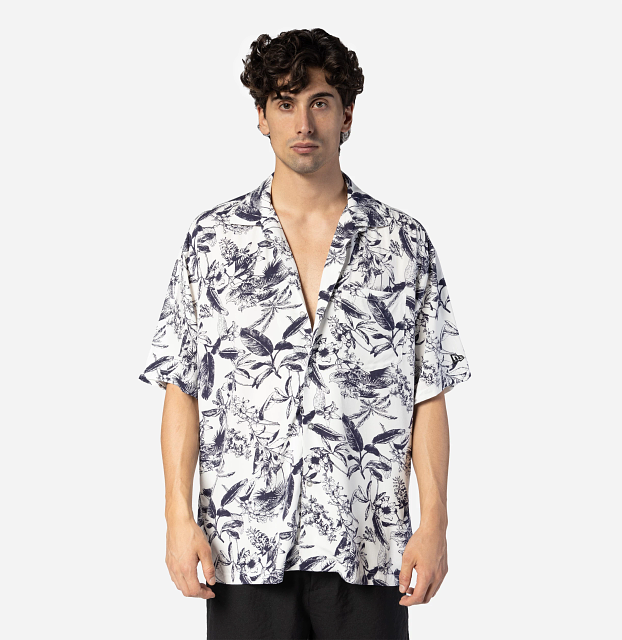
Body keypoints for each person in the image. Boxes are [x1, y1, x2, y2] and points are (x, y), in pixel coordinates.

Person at [139, 27, 472, 640]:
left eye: (320, 102)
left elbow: (429, 391)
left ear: (347, 115)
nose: (303, 123)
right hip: (244, 547)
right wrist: (175, 520)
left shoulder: (403, 244)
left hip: (367, 545)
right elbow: (181, 387)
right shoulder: (212, 242)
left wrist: (435, 524)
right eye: (285, 102)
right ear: (260, 116)